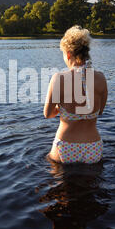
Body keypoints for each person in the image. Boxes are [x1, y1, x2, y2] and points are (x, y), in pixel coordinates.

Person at [44, 26, 108, 164]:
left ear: (68, 54)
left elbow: (48, 114)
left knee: (57, 179)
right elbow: (100, 111)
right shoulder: (101, 78)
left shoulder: (58, 78)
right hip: (93, 146)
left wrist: (61, 108)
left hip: (66, 146)